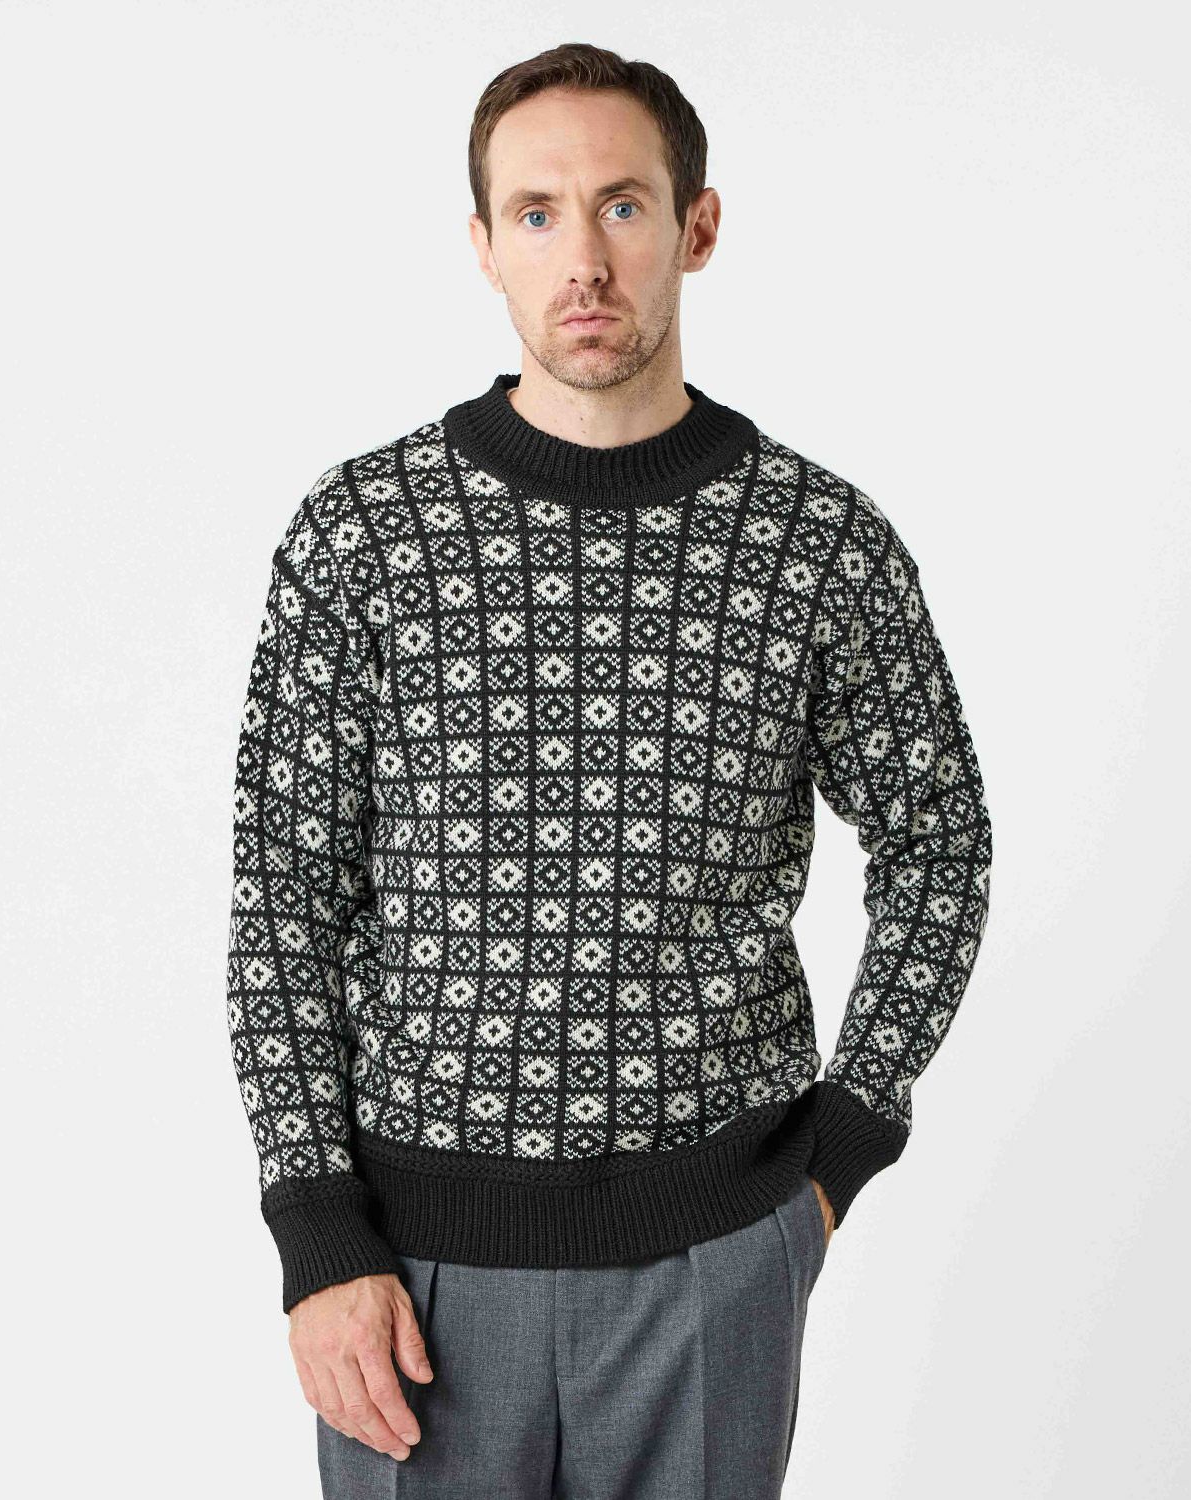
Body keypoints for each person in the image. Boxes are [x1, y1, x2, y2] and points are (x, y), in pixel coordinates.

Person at [224, 40, 993, 1500]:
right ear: (483, 244)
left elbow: (938, 841)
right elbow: (285, 897)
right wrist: (315, 1234)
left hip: (717, 1257)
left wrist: (842, 1151)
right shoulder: (365, 534)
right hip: (413, 1278)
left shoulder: (817, 544)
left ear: (697, 227)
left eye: (622, 206)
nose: (582, 257)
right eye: (537, 212)